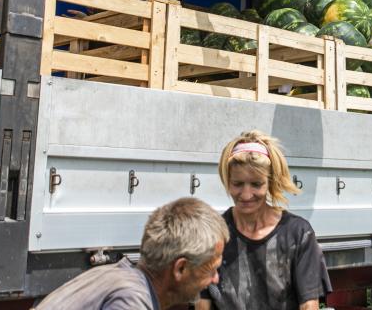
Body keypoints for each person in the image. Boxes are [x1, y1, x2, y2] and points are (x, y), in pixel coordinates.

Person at [196, 130, 331, 310]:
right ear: (227, 181)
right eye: (237, 184)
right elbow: (202, 303)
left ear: (270, 182)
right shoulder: (213, 234)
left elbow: (308, 305)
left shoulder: (298, 233)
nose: (246, 194)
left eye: (256, 184)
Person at [36, 197, 229, 310]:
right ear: (181, 268)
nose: (215, 279)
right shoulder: (131, 300)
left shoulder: (115, 274)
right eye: (211, 270)